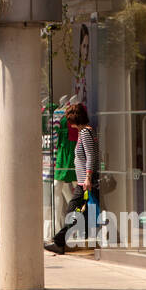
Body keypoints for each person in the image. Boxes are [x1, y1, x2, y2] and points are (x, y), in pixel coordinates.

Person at [46, 104, 98, 256]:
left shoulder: (85, 133)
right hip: (83, 182)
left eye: (70, 120)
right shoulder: (84, 132)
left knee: (72, 211)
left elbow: (90, 157)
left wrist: (87, 178)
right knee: (77, 211)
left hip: (84, 183)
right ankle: (62, 241)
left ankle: (59, 242)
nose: (69, 124)